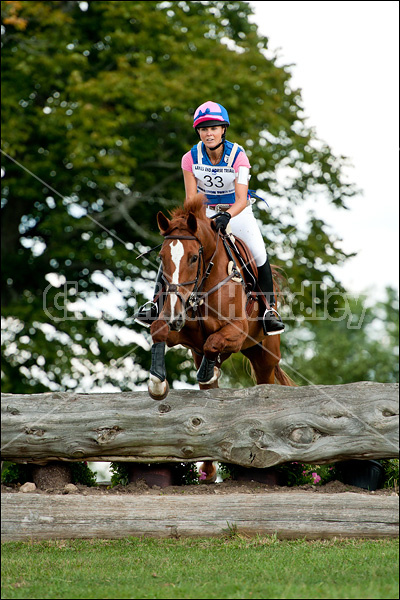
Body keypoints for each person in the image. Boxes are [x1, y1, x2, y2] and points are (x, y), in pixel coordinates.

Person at [135, 100, 284, 335]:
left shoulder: (238, 156)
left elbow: (242, 199)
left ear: (223, 129)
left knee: (258, 252)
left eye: (213, 128)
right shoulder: (190, 158)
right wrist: (196, 222)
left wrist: (226, 217)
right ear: (199, 132)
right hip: (204, 213)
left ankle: (269, 310)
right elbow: (190, 199)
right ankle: (154, 304)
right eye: (204, 129)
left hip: (237, 211)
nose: (209, 133)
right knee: (176, 250)